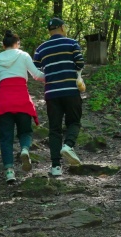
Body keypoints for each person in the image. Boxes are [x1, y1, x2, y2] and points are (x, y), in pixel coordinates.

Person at [33, 17, 85, 176]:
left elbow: (36, 69)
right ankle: (68, 146)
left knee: (54, 129)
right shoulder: (72, 43)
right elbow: (80, 64)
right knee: (74, 122)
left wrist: (50, 75)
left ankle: (55, 167)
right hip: (70, 90)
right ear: (62, 28)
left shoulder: (41, 48)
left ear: (49, 30)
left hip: (51, 94)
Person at [0, 31, 45, 183]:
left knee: (5, 138)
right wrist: (52, 77)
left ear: (3, 45)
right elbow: (37, 75)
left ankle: (9, 172)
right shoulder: (23, 55)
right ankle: (25, 150)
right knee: (25, 131)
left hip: (4, 100)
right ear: (18, 43)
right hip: (22, 98)